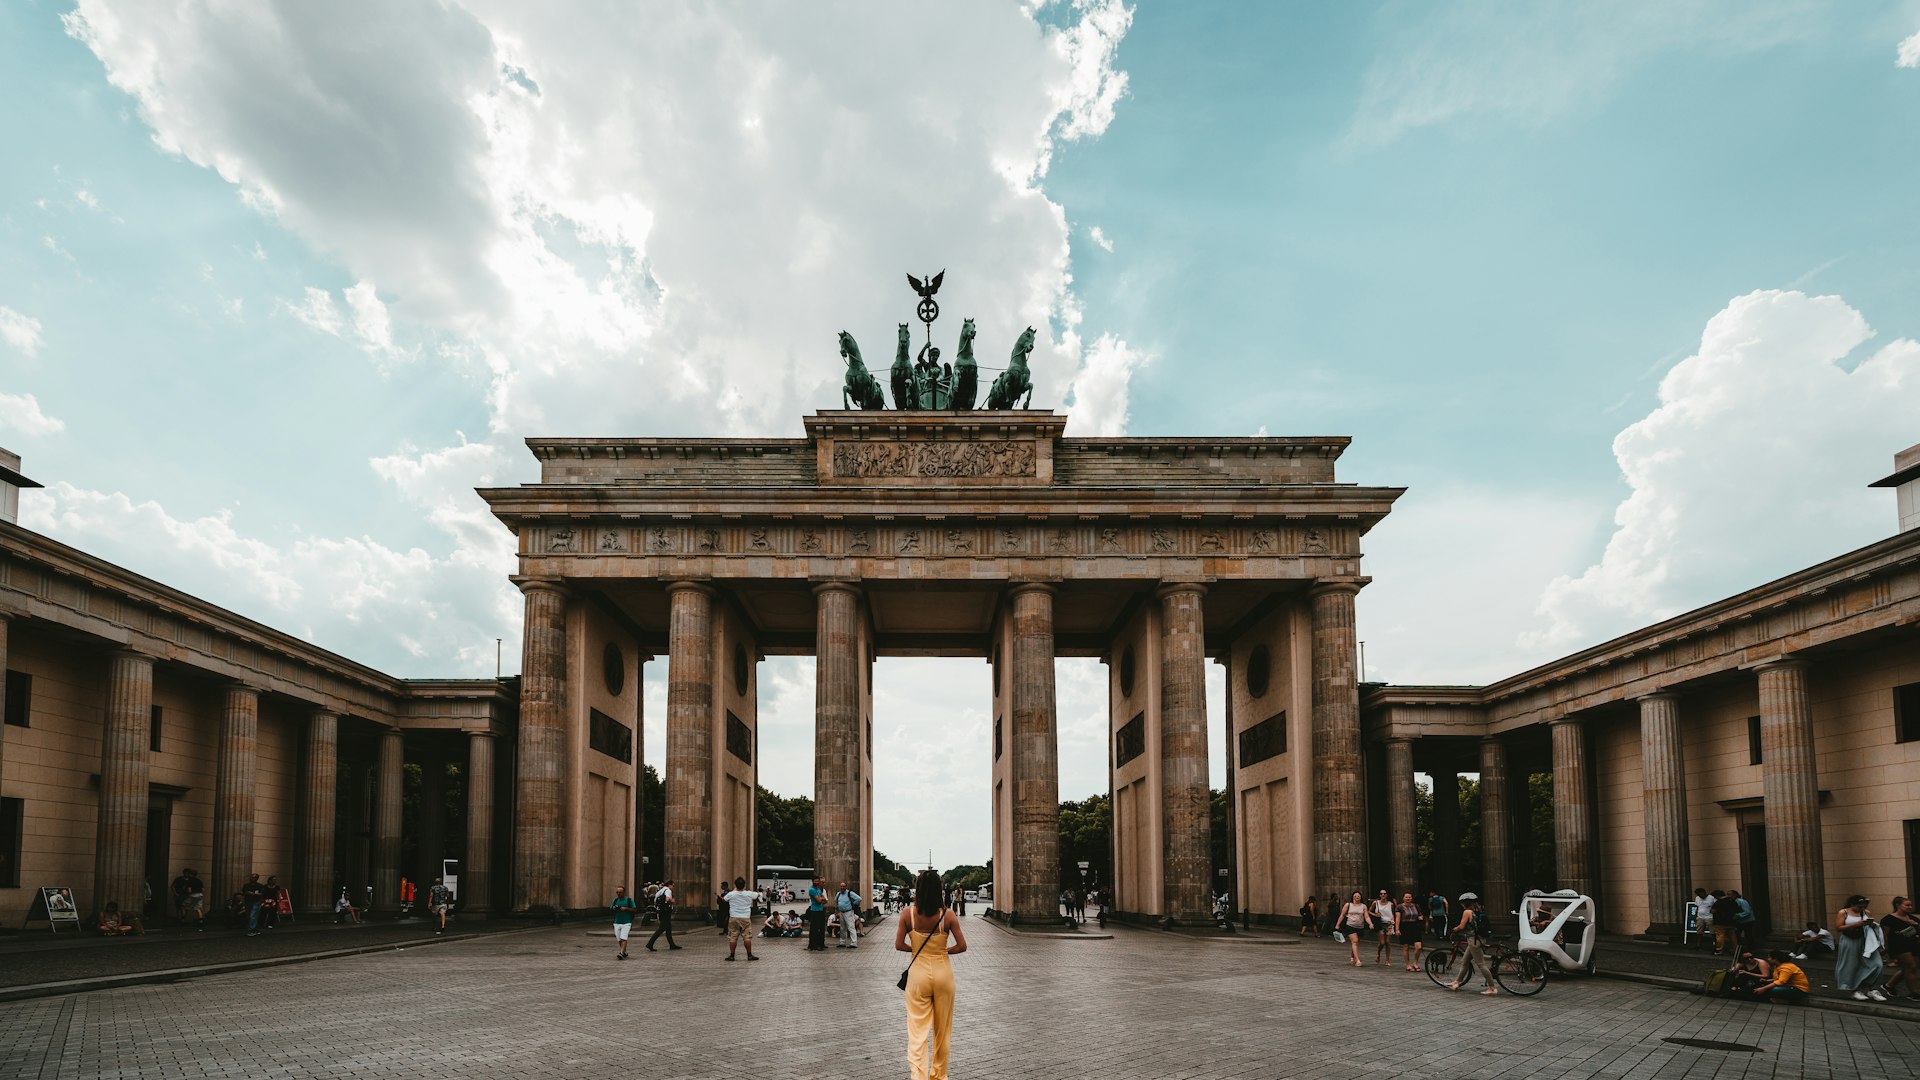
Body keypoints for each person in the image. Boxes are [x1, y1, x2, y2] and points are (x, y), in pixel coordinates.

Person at [896, 867, 967, 1080]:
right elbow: (962, 946)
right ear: (939, 889)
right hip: (943, 974)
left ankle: (918, 1077)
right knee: (942, 1032)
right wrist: (943, 950)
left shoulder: (907, 914)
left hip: (918, 976)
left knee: (917, 1032)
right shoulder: (948, 914)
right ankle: (939, 1076)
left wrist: (917, 949)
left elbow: (899, 945)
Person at [1834, 894, 1888, 1002]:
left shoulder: (1866, 912)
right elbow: (1838, 927)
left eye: (1864, 906)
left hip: (1865, 941)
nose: (1862, 909)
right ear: (1852, 904)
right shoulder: (1843, 912)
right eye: (1859, 907)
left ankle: (1872, 988)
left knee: (1877, 964)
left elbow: (1872, 925)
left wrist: (1872, 925)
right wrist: (1857, 924)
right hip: (1849, 940)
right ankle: (1854, 989)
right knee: (1852, 965)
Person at [1447, 892, 1498, 996]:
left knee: (1481, 964)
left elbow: (1461, 926)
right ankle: (1457, 982)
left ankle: (1492, 988)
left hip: (1473, 941)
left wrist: (1454, 929)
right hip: (1479, 939)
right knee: (1464, 961)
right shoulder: (1478, 911)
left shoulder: (1467, 912)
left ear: (1464, 903)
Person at [720, 876, 760, 961]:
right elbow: (758, 895)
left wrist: (734, 890)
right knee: (747, 937)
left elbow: (724, 899)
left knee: (733, 936)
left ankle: (732, 955)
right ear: (744, 885)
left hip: (734, 917)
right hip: (745, 917)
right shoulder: (748, 893)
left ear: (735, 885)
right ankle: (749, 955)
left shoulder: (731, 893)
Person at [1336, 891, 1372, 967]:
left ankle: (1352, 956)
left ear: (1361, 897)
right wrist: (1337, 925)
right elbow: (1342, 915)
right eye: (1355, 896)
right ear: (1352, 897)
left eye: (1358, 896)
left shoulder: (1363, 906)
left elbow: (1366, 916)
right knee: (1355, 941)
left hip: (1360, 926)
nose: (1357, 897)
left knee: (1355, 942)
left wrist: (1370, 923)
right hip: (1350, 925)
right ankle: (1358, 960)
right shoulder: (1348, 905)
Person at [647, 879, 681, 951]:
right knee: (662, 928)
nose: (673, 887)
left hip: (661, 911)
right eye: (673, 885)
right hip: (666, 911)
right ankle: (650, 943)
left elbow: (655, 901)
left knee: (668, 928)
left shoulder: (660, 891)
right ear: (670, 884)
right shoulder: (668, 890)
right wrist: (673, 900)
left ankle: (672, 944)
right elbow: (668, 899)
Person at [1396, 892, 1425, 971]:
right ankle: (1408, 964)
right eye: (1406, 897)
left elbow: (1420, 914)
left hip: (1415, 926)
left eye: (1409, 897)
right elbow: (1398, 918)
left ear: (1411, 898)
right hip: (1405, 926)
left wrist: (1420, 917)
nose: (1408, 899)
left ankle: (1415, 962)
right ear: (1403, 898)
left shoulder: (1416, 906)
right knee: (1406, 946)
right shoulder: (1399, 907)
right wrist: (1397, 929)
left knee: (1419, 946)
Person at [608, 884, 638, 960]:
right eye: (617, 892)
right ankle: (624, 951)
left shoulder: (629, 900)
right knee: (619, 939)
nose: (619, 894)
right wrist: (614, 908)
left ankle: (621, 953)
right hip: (617, 922)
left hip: (626, 922)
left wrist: (626, 908)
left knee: (624, 937)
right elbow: (611, 909)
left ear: (624, 892)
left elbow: (634, 910)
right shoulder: (615, 901)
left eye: (620, 892)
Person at [1710, 890, 1740, 956]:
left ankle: (1719, 950)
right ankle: (1735, 950)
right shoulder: (1732, 901)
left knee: (1720, 937)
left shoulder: (1718, 902)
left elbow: (1712, 911)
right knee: (1733, 937)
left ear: (1717, 896)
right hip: (1731, 922)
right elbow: (1737, 910)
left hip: (1719, 922)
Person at [1371, 890, 1396, 965]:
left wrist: (1393, 920)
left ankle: (1387, 960)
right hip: (1380, 924)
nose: (1383, 895)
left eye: (1384, 893)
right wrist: (1375, 915)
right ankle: (1378, 954)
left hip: (1389, 923)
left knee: (1388, 942)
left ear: (1387, 895)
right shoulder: (1376, 903)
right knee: (1382, 942)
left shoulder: (1390, 904)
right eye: (1381, 894)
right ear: (1379, 895)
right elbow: (1369, 911)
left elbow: (1392, 913)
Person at [836, 879, 864, 948]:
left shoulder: (849, 893)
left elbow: (859, 899)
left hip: (848, 912)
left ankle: (854, 942)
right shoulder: (838, 894)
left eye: (843, 886)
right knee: (842, 928)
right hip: (842, 912)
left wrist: (853, 904)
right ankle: (842, 942)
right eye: (841, 886)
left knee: (851, 927)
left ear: (846, 887)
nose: (842, 888)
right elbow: (836, 900)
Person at [806, 877, 829, 951]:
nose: (816, 882)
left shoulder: (818, 890)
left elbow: (825, 901)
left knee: (821, 928)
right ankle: (813, 945)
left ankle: (820, 944)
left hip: (820, 910)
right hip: (814, 911)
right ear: (812, 881)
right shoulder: (812, 890)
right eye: (815, 881)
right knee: (814, 929)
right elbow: (819, 901)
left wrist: (821, 899)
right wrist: (821, 899)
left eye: (817, 881)